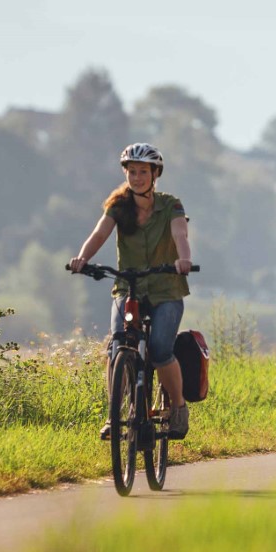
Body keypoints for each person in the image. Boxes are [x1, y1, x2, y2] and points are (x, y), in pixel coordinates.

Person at [68, 143, 195, 439]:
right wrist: (82, 258)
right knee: (117, 348)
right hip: (127, 287)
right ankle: (116, 416)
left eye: (143, 172)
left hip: (166, 289)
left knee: (162, 350)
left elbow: (180, 234)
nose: (137, 177)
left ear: (155, 174)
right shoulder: (118, 206)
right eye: (132, 171)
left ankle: (177, 408)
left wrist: (184, 258)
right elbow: (99, 233)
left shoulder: (171, 205)